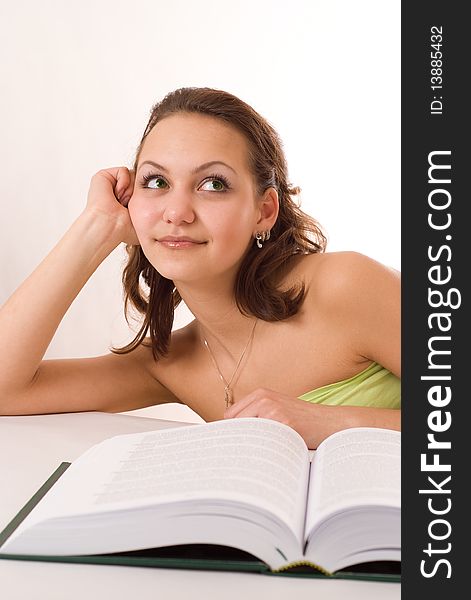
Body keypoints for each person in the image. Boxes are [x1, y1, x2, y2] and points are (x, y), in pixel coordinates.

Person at [0, 87, 400, 449]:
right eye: (156, 182)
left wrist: (330, 422)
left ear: (265, 211)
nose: (176, 213)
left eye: (213, 184)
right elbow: (6, 390)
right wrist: (97, 227)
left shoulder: (344, 286)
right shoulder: (170, 364)